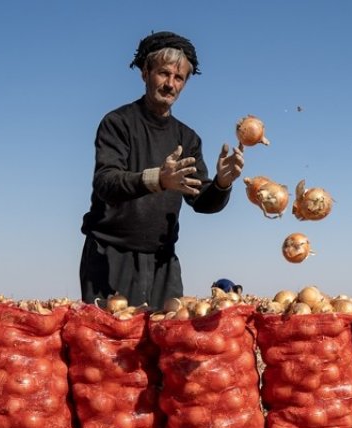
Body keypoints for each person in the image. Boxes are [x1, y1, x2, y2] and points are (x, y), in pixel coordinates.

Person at [79, 31, 245, 310]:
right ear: (145, 73)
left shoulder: (188, 138)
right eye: (163, 74)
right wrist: (157, 179)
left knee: (168, 342)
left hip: (163, 262)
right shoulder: (118, 123)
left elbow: (201, 201)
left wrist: (221, 184)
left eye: (179, 78)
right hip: (110, 257)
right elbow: (105, 182)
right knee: (110, 349)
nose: (170, 84)